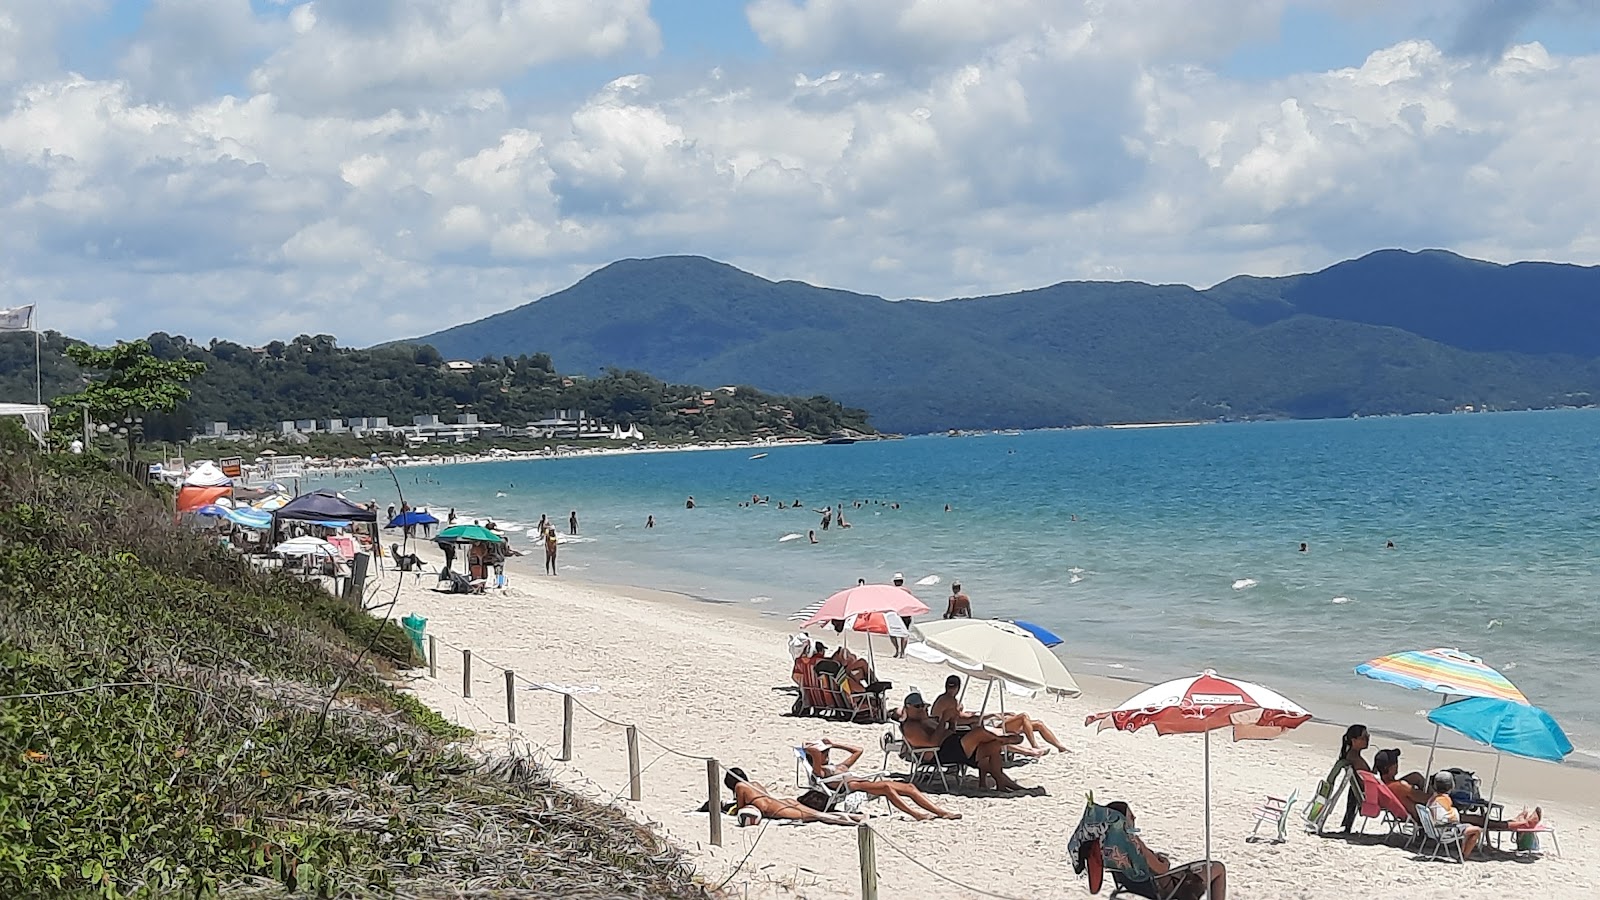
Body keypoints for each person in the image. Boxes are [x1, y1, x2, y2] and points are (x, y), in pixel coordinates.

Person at [802, 738, 960, 821]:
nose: (826, 754)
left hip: (866, 783)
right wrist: (811, 748)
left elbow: (858, 750)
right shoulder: (820, 771)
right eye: (824, 752)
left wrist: (834, 744)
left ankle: (941, 812)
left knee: (910, 787)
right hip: (855, 787)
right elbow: (813, 753)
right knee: (886, 788)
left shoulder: (839, 766)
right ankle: (916, 814)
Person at [899, 692, 1026, 792]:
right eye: (917, 707)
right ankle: (1003, 739)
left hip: (951, 745)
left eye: (923, 706)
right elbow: (933, 743)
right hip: (941, 753)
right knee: (979, 732)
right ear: (907, 708)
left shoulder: (926, 720)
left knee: (993, 746)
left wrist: (952, 719)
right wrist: (943, 720)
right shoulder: (911, 727)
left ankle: (1001, 784)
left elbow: (949, 730)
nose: (922, 709)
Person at [1105, 801, 1227, 900]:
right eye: (1130, 816)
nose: (1134, 817)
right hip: (1165, 888)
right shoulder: (1134, 843)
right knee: (1217, 868)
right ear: (1122, 821)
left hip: (1137, 887)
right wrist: (1164, 862)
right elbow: (1161, 869)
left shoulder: (1109, 846)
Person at [931, 675, 1063, 755]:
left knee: (1036, 723)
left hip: (950, 730)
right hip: (979, 729)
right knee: (1022, 717)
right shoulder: (951, 701)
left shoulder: (942, 699)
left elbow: (960, 716)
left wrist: (989, 715)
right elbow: (962, 719)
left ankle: (1059, 747)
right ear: (958, 687)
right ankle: (1034, 748)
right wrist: (991, 715)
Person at [723, 767, 860, 826]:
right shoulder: (754, 783)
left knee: (817, 816)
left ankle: (851, 820)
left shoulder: (739, 786)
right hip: (780, 801)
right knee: (815, 813)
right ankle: (854, 817)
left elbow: (741, 808)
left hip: (773, 808)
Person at [1338, 724, 1372, 832]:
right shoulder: (1355, 759)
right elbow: (1368, 780)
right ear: (1354, 740)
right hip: (1370, 794)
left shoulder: (1351, 755)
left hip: (1362, 791)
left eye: (1368, 737)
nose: (1367, 740)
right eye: (1364, 737)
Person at [890, 573, 913, 658]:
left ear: (894, 582)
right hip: (906, 613)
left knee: (892, 633)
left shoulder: (892, 591)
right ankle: (902, 652)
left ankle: (897, 650)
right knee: (905, 633)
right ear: (902, 581)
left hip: (896, 613)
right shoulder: (907, 591)